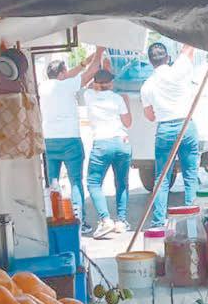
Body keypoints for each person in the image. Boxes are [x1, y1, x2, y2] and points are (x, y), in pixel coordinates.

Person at [38, 47, 104, 230]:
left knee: (52, 183)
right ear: (61, 74)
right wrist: (99, 52)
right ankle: (79, 222)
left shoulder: (43, 87)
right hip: (70, 140)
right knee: (75, 182)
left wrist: (83, 62)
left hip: (49, 140)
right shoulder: (68, 86)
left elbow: (71, 75)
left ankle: (54, 219)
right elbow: (92, 72)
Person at [141, 42, 200, 226]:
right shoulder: (179, 70)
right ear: (167, 58)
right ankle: (193, 219)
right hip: (186, 125)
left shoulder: (147, 85)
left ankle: (159, 221)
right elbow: (189, 48)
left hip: (165, 129)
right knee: (190, 175)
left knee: (162, 179)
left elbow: (150, 116)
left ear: (150, 62)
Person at [84, 67, 133, 239]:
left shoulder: (89, 96)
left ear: (96, 84)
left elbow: (88, 85)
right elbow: (128, 123)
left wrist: (96, 84)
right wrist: (126, 102)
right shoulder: (118, 99)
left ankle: (105, 219)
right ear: (111, 84)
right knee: (121, 183)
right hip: (121, 142)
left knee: (94, 183)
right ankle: (121, 221)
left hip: (101, 144)